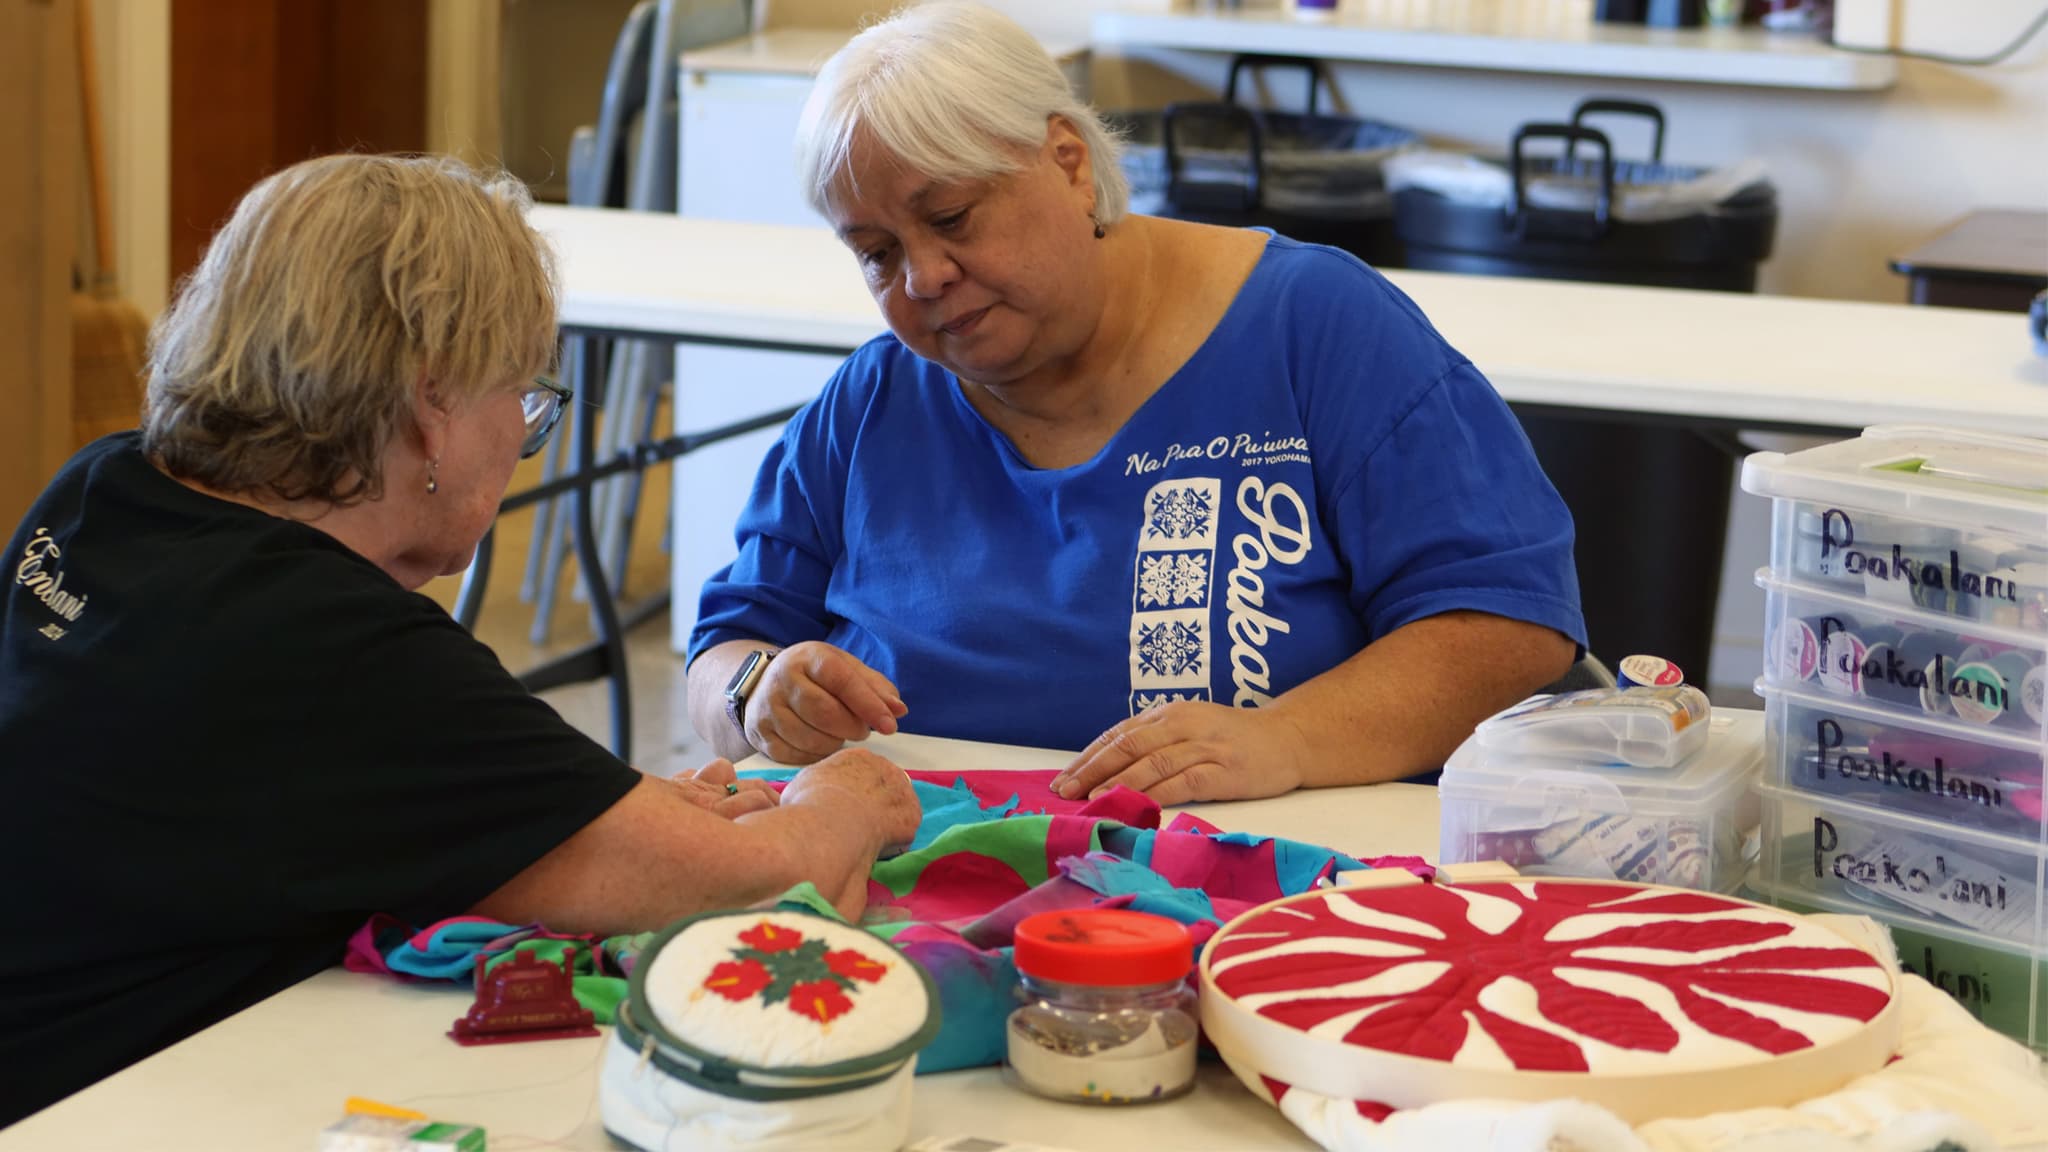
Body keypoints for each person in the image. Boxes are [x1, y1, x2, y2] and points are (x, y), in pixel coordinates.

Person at [0, 154, 918, 1128]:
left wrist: (611, 813)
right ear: (431, 410)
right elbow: (760, 900)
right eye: (522, 402)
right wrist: (842, 798)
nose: (523, 442)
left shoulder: (106, 493)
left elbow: (332, 793)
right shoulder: (335, 645)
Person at [686, 3, 1585, 805]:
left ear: (1069, 165)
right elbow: (727, 650)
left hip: (1272, 879)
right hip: (930, 872)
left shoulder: (1314, 329)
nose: (923, 277)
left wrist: (1289, 739)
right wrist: (756, 696)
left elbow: (1508, 625)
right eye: (877, 252)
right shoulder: (874, 401)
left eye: (954, 218)